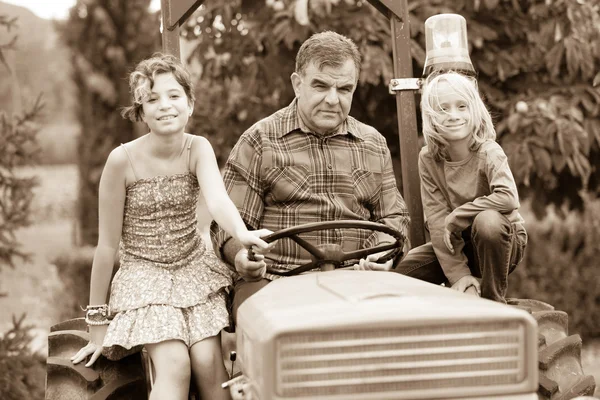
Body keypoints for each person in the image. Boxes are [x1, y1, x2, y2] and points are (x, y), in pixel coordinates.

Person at [70, 53, 271, 400]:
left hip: (193, 269)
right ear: (140, 110)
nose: (165, 106)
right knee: (176, 364)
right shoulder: (122, 161)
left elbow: (218, 200)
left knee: (210, 363)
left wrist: (242, 233)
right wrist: (97, 324)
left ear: (190, 104)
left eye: (174, 95)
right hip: (144, 276)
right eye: (152, 98)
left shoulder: (198, 148)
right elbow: (106, 247)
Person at [210, 31, 410, 322]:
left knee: (409, 320)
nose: (332, 99)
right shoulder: (260, 141)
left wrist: (382, 256)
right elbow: (229, 224)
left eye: (344, 89)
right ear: (297, 84)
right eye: (321, 86)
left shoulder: (373, 143)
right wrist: (241, 256)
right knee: (260, 319)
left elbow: (394, 216)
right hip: (276, 279)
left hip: (357, 279)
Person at [395, 71, 527, 303]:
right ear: (431, 117)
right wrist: (460, 276)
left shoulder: (489, 152)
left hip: (502, 241)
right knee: (405, 270)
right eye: (443, 109)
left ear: (474, 110)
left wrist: (458, 215)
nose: (453, 115)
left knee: (487, 221)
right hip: (458, 243)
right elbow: (437, 220)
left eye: (461, 106)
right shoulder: (428, 158)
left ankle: (494, 302)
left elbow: (508, 198)